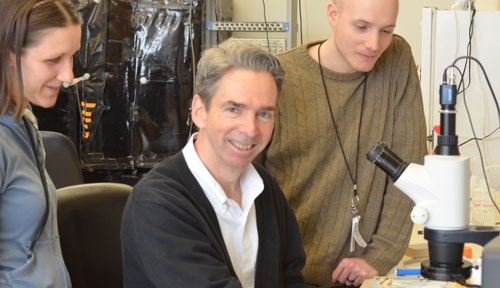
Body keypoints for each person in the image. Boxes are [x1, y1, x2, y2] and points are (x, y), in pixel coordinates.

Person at [121, 41, 320, 288]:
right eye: (234, 109)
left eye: (264, 114)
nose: (250, 129)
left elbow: (291, 281)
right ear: (199, 111)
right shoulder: (156, 202)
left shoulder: (264, 187)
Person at [258, 0, 427, 286]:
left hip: (360, 279)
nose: (374, 44)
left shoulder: (396, 60)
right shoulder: (279, 78)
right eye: (361, 27)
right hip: (283, 275)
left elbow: (408, 171)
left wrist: (380, 254)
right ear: (333, 14)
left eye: (386, 30)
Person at [0, 0, 81, 286]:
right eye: (53, 60)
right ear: (10, 56)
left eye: (72, 57)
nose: (68, 76)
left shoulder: (24, 120)